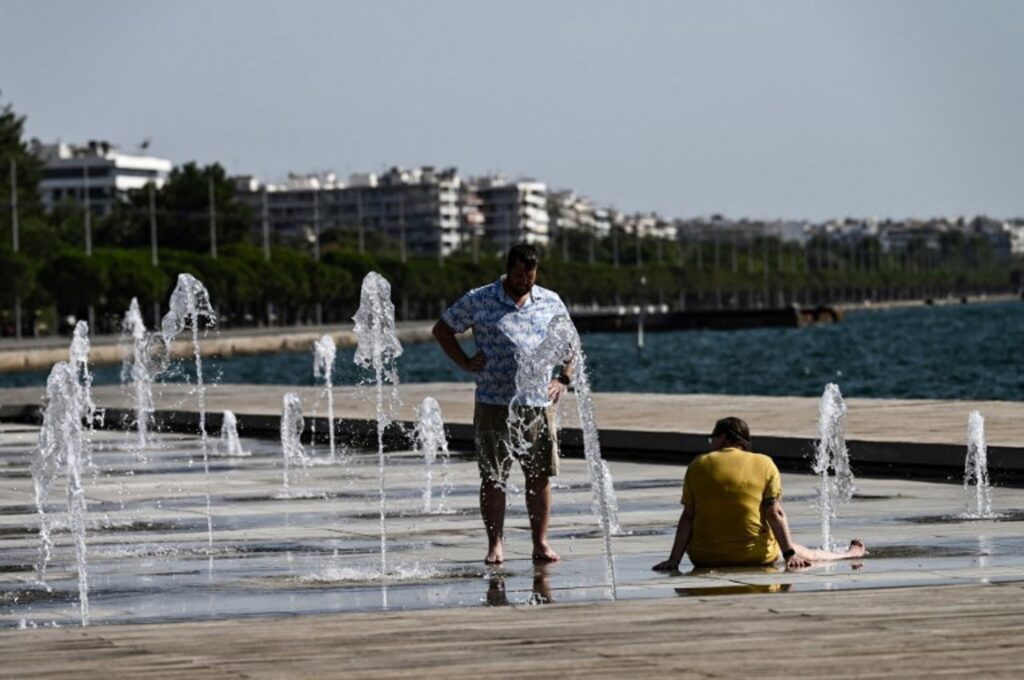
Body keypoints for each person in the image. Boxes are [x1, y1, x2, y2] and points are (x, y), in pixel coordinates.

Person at [432, 244, 572, 565]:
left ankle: (540, 542)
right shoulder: (479, 298)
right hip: (493, 402)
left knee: (539, 476)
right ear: (507, 269)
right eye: (520, 274)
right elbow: (442, 329)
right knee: (494, 477)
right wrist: (465, 362)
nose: (525, 281)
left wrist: (564, 378)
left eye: (531, 275)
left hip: (536, 403)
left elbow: (570, 340)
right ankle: (495, 544)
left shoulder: (550, 300)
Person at [653, 417, 866, 571]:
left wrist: (674, 560)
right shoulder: (764, 463)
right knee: (802, 550)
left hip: (705, 557)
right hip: (755, 555)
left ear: (724, 438)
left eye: (713, 439)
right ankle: (849, 554)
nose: (711, 445)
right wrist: (789, 554)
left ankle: (843, 553)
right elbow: (774, 513)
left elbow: (688, 517)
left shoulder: (698, 464)